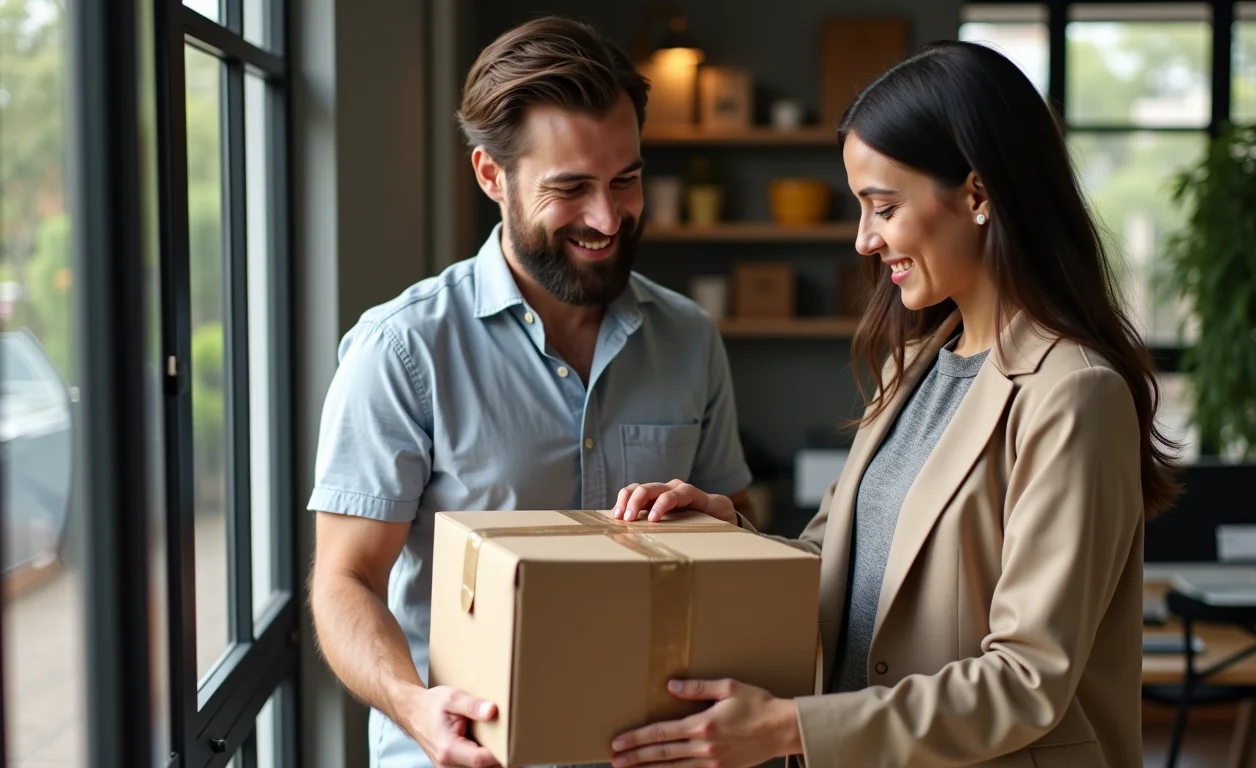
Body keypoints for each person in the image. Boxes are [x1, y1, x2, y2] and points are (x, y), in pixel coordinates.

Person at [609, 40, 1180, 768]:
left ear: (978, 195)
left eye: (882, 206)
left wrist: (791, 728)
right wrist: (730, 533)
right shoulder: (913, 367)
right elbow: (843, 571)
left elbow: (1029, 679)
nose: (864, 239)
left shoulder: (1072, 393)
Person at [307, 16, 754, 768]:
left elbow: (731, 539)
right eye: (571, 188)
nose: (607, 219)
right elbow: (345, 580)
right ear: (491, 176)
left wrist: (727, 523)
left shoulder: (689, 337)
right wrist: (414, 705)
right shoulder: (403, 350)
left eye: (626, 180)